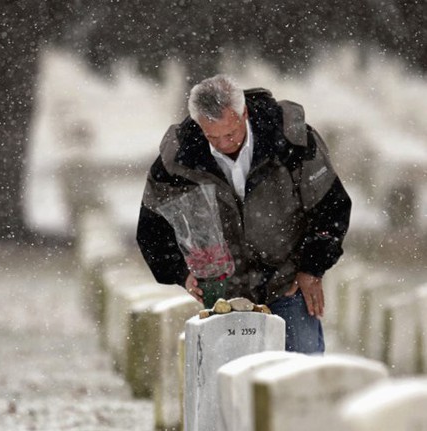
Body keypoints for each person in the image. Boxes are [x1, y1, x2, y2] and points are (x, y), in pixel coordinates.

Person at [136, 74, 351, 354]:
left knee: (300, 369)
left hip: (286, 282)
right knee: (228, 383)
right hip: (222, 294)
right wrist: (179, 272)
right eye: (211, 136)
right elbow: (151, 228)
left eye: (230, 134)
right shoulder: (179, 158)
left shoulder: (292, 141)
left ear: (244, 113)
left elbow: (331, 206)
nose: (224, 144)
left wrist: (312, 267)